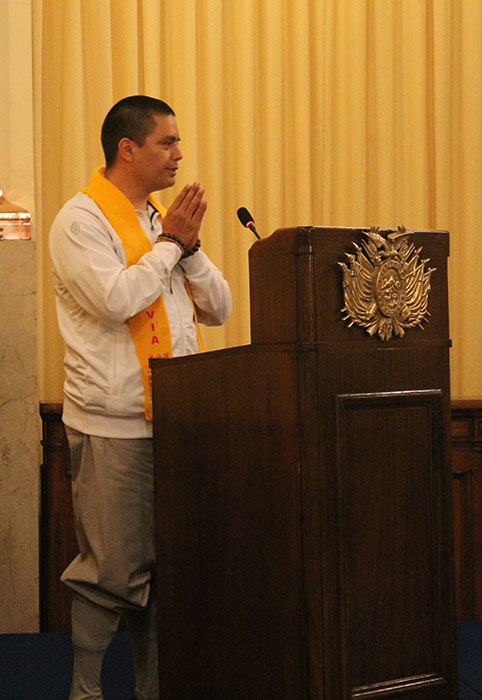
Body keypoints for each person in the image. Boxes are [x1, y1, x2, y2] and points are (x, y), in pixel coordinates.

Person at [49, 95, 232, 700]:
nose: (179, 154)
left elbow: (220, 308)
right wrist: (171, 246)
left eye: (178, 142)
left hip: (175, 423)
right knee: (111, 572)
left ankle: (151, 691)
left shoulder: (161, 222)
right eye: (167, 142)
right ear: (127, 149)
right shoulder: (80, 221)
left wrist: (188, 247)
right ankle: (84, 691)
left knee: (164, 574)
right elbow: (116, 300)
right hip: (114, 425)